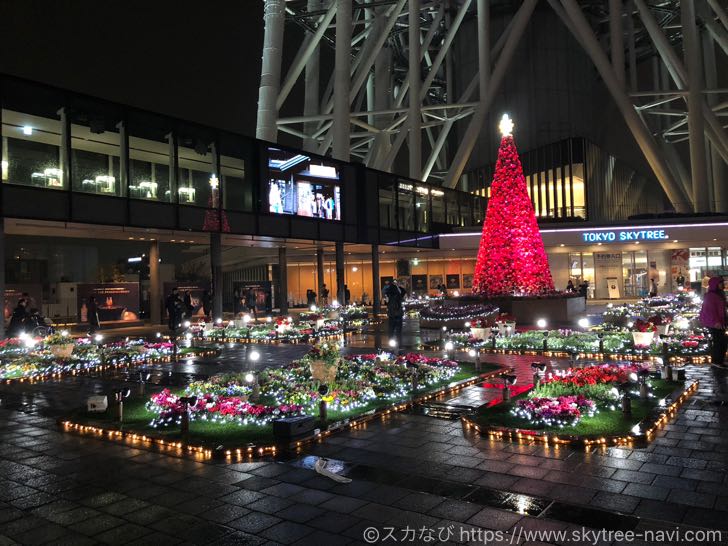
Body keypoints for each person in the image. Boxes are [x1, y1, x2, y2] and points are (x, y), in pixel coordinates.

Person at [699, 276, 727, 368]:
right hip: (714, 323)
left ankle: (719, 360)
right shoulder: (711, 296)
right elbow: (710, 311)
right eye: (720, 283)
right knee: (719, 342)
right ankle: (716, 361)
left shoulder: (719, 294)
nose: (722, 285)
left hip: (720, 321)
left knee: (721, 341)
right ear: (715, 284)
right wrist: (716, 322)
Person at [384, 279, 407, 347]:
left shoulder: (389, 295)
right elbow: (403, 292)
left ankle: (391, 345)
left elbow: (386, 301)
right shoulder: (399, 295)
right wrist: (398, 287)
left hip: (392, 315)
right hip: (398, 315)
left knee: (391, 331)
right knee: (398, 332)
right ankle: (399, 345)